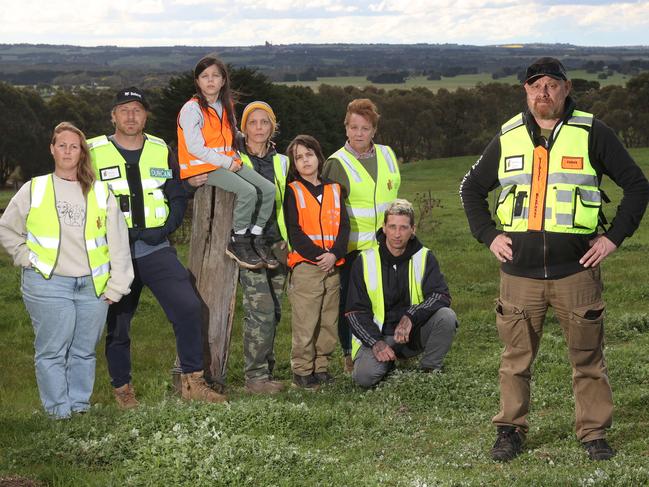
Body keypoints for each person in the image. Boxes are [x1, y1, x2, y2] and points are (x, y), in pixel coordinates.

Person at [460, 57, 649, 462]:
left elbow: (637, 185)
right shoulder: (508, 135)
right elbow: (470, 188)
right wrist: (488, 235)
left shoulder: (592, 132)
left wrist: (614, 239)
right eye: (535, 85)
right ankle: (510, 429)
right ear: (525, 91)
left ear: (566, 88)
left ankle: (593, 432)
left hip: (575, 273)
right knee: (514, 360)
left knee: (587, 358)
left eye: (551, 84)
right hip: (519, 276)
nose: (542, 92)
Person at [88, 87, 226, 408]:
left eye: (137, 109)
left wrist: (165, 228)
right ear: (113, 116)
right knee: (119, 323)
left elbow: (177, 193)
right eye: (124, 109)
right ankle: (123, 391)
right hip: (114, 254)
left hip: (155, 248)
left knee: (188, 307)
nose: (131, 115)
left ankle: (193, 382)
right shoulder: (93, 150)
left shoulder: (160, 148)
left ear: (145, 115)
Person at [0, 122, 133, 419]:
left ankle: (79, 409)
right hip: (47, 283)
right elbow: (7, 228)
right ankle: (58, 413)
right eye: (62, 145)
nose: (68, 151)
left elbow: (119, 244)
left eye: (74, 146)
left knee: (84, 351)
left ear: (82, 152)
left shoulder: (101, 193)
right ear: (52, 149)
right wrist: (26, 257)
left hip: (92, 286)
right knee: (52, 351)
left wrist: (117, 285)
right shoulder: (35, 188)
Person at [322, 98, 401, 372]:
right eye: (353, 127)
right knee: (351, 304)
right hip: (352, 248)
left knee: (385, 298)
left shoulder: (388, 155)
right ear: (346, 128)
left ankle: (387, 346)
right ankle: (348, 354)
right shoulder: (336, 163)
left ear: (373, 130)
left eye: (365, 128)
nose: (359, 133)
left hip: (387, 246)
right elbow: (329, 212)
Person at [178, 55, 277, 270]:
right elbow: (194, 146)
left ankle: (257, 237)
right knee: (248, 192)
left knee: (268, 189)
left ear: (223, 80)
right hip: (203, 166)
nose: (210, 80)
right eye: (205, 76)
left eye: (216, 75)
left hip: (226, 161)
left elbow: (229, 135)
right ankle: (238, 240)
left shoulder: (225, 105)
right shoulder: (191, 109)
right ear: (197, 81)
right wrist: (226, 161)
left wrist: (245, 141)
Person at [345, 199, 456, 388]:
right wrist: (375, 343)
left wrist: (411, 316)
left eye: (403, 228)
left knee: (446, 316)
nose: (397, 234)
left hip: (413, 333)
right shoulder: (364, 260)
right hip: (379, 334)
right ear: (384, 228)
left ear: (413, 229)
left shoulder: (424, 256)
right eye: (392, 227)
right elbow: (354, 312)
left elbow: (441, 295)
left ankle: (430, 369)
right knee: (363, 378)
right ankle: (387, 361)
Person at [284, 135, 350, 389]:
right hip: (307, 267)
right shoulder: (294, 191)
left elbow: (344, 226)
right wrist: (318, 256)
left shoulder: (335, 189)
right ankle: (302, 370)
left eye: (309, 154)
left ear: (319, 157)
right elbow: (295, 232)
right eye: (299, 158)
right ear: (295, 164)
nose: (305, 160)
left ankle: (321, 366)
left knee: (328, 320)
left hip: (333, 265)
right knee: (306, 320)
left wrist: (334, 253)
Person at [237, 101, 290, 394]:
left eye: (264, 122)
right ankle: (255, 378)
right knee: (261, 309)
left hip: (276, 243)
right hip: (247, 246)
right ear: (244, 127)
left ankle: (266, 372)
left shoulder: (282, 162)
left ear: (272, 127)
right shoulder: (234, 159)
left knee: (276, 310)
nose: (259, 128)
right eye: (253, 122)